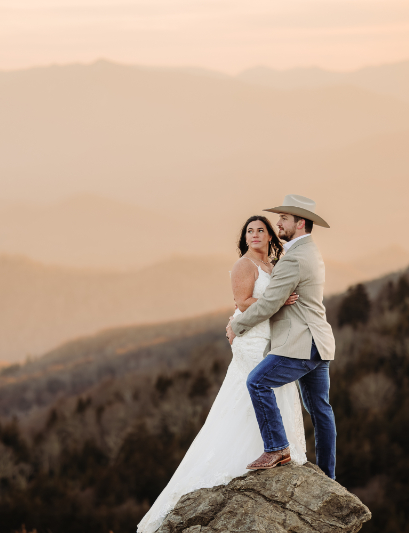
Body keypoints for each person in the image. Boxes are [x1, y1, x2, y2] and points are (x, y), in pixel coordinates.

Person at [136, 214, 307, 533]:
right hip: (252, 339)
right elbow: (243, 304)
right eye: (249, 231)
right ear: (244, 238)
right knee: (257, 391)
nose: (255, 235)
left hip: (269, 337)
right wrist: (280, 301)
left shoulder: (271, 265)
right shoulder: (244, 265)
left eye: (261, 230)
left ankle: (275, 449)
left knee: (261, 393)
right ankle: (261, 452)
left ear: (271, 236)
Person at [226, 194, 337, 479]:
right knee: (320, 410)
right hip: (319, 343)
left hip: (299, 343)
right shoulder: (311, 252)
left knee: (257, 382)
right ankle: (328, 475)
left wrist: (236, 326)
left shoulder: (293, 260)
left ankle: (277, 447)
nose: (278, 224)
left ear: (300, 223)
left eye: (284, 219)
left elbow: (269, 304)